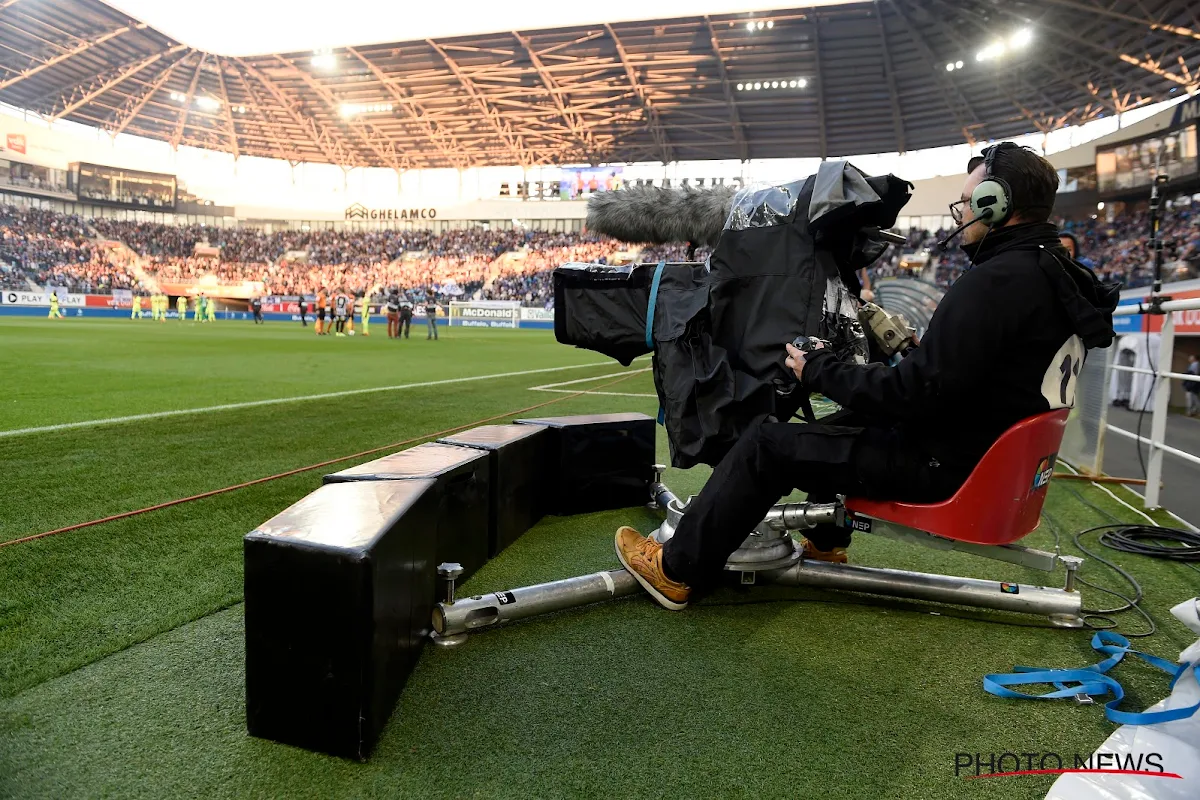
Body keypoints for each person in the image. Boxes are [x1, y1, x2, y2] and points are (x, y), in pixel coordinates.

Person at [614, 142, 1120, 610]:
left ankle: (677, 569)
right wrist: (921, 359)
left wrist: (818, 369)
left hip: (946, 464)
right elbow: (978, 374)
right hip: (992, 458)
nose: (961, 214)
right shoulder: (1059, 274)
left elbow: (910, 395)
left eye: (967, 202)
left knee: (768, 443)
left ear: (995, 203)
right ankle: (826, 545)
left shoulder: (995, 281)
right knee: (852, 415)